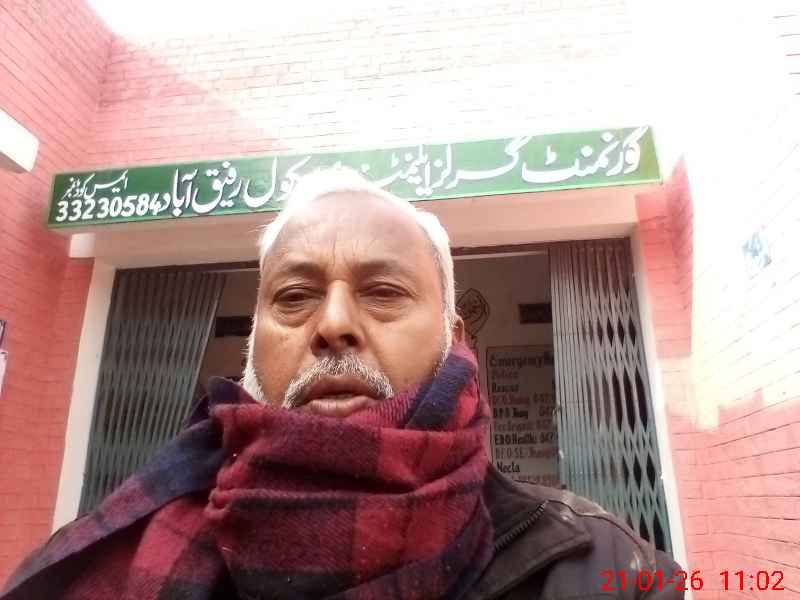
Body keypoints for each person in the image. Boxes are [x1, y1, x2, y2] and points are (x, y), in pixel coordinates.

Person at [2, 168, 682, 599]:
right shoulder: (98, 564)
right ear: (251, 348)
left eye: (383, 292)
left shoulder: (605, 570)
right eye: (294, 297)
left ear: (457, 339)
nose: (332, 325)